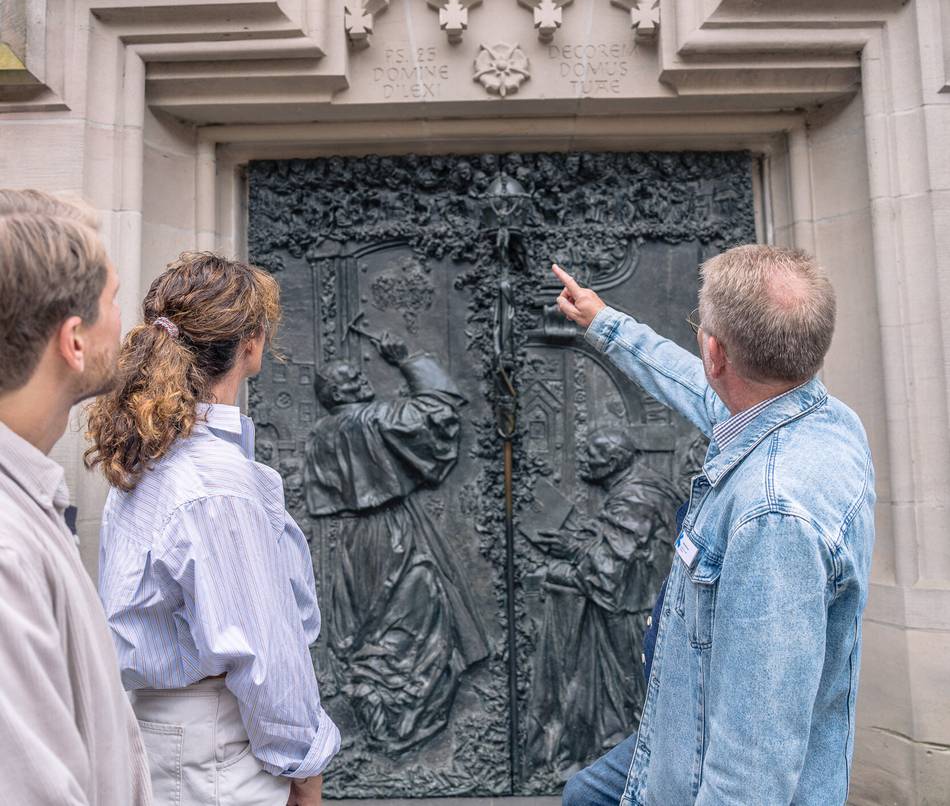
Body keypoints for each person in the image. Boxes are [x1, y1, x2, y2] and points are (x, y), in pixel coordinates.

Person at [553, 245, 875, 806]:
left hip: (712, 761)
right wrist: (605, 324)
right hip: (681, 721)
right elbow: (694, 385)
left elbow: (756, 760)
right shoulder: (811, 413)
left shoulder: (774, 517)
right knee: (586, 794)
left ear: (715, 351)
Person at [86, 252, 339, 806]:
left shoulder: (144, 457)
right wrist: (306, 773)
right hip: (219, 750)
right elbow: (263, 653)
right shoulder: (215, 479)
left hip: (168, 737)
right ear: (250, 344)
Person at [0, 188, 152, 805]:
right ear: (74, 341)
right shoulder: (6, 551)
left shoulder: (32, 505)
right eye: (115, 299)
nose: (127, 321)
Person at [303, 330, 488, 751]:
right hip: (393, 534)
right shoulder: (374, 420)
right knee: (415, 619)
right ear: (341, 390)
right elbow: (439, 413)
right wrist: (407, 358)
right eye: (354, 377)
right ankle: (405, 723)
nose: (365, 381)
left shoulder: (321, 434)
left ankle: (383, 719)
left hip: (350, 542)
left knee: (373, 626)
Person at [525, 426, 682, 776]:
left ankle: (640, 767)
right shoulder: (630, 488)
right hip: (630, 603)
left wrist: (571, 547)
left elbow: (615, 560)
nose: (583, 463)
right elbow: (615, 537)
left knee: (630, 686)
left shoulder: (636, 495)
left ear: (612, 462)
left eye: (591, 458)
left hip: (633, 608)